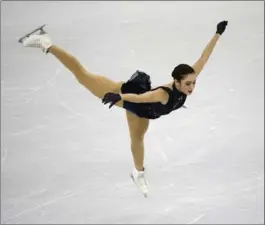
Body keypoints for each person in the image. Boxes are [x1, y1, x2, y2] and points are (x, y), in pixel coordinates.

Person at [19, 20, 228, 197]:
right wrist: (118, 96)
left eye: (193, 82)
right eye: (188, 83)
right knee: (83, 76)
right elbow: (141, 97)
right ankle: (47, 43)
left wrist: (217, 34)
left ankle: (138, 173)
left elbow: (203, 58)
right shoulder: (163, 93)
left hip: (143, 111)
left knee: (137, 139)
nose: (192, 87)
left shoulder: (186, 80)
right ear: (176, 81)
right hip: (128, 96)